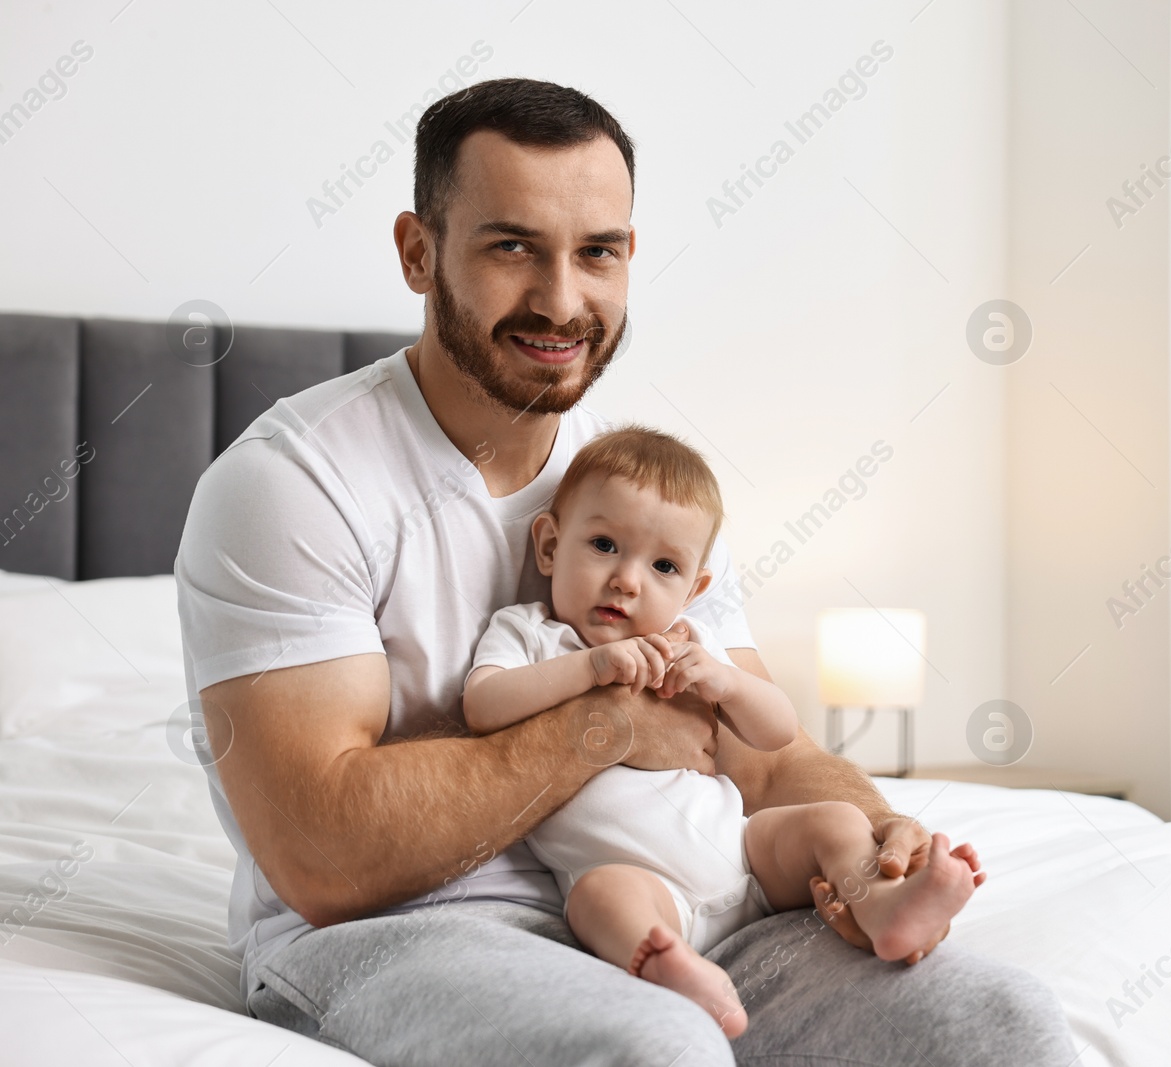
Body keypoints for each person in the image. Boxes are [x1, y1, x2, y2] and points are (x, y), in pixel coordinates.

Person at [175, 75, 1077, 1065]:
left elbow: (761, 756)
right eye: (511, 245)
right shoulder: (294, 483)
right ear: (417, 251)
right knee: (654, 1048)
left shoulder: (642, 493)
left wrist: (875, 836)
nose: (561, 299)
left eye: (595, 252)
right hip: (394, 929)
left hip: (686, 903)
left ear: (629, 255)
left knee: (996, 1023)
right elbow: (322, 851)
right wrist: (602, 724)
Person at [462, 425, 986, 1037]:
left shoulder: (691, 646)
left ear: (693, 590)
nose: (628, 580)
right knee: (599, 899)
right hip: (643, 884)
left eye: (663, 566)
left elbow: (777, 734)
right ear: (549, 546)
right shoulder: (530, 634)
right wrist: (588, 668)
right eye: (604, 545)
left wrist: (727, 684)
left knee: (834, 820)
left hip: (743, 855)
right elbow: (483, 705)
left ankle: (887, 908)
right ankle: (673, 966)